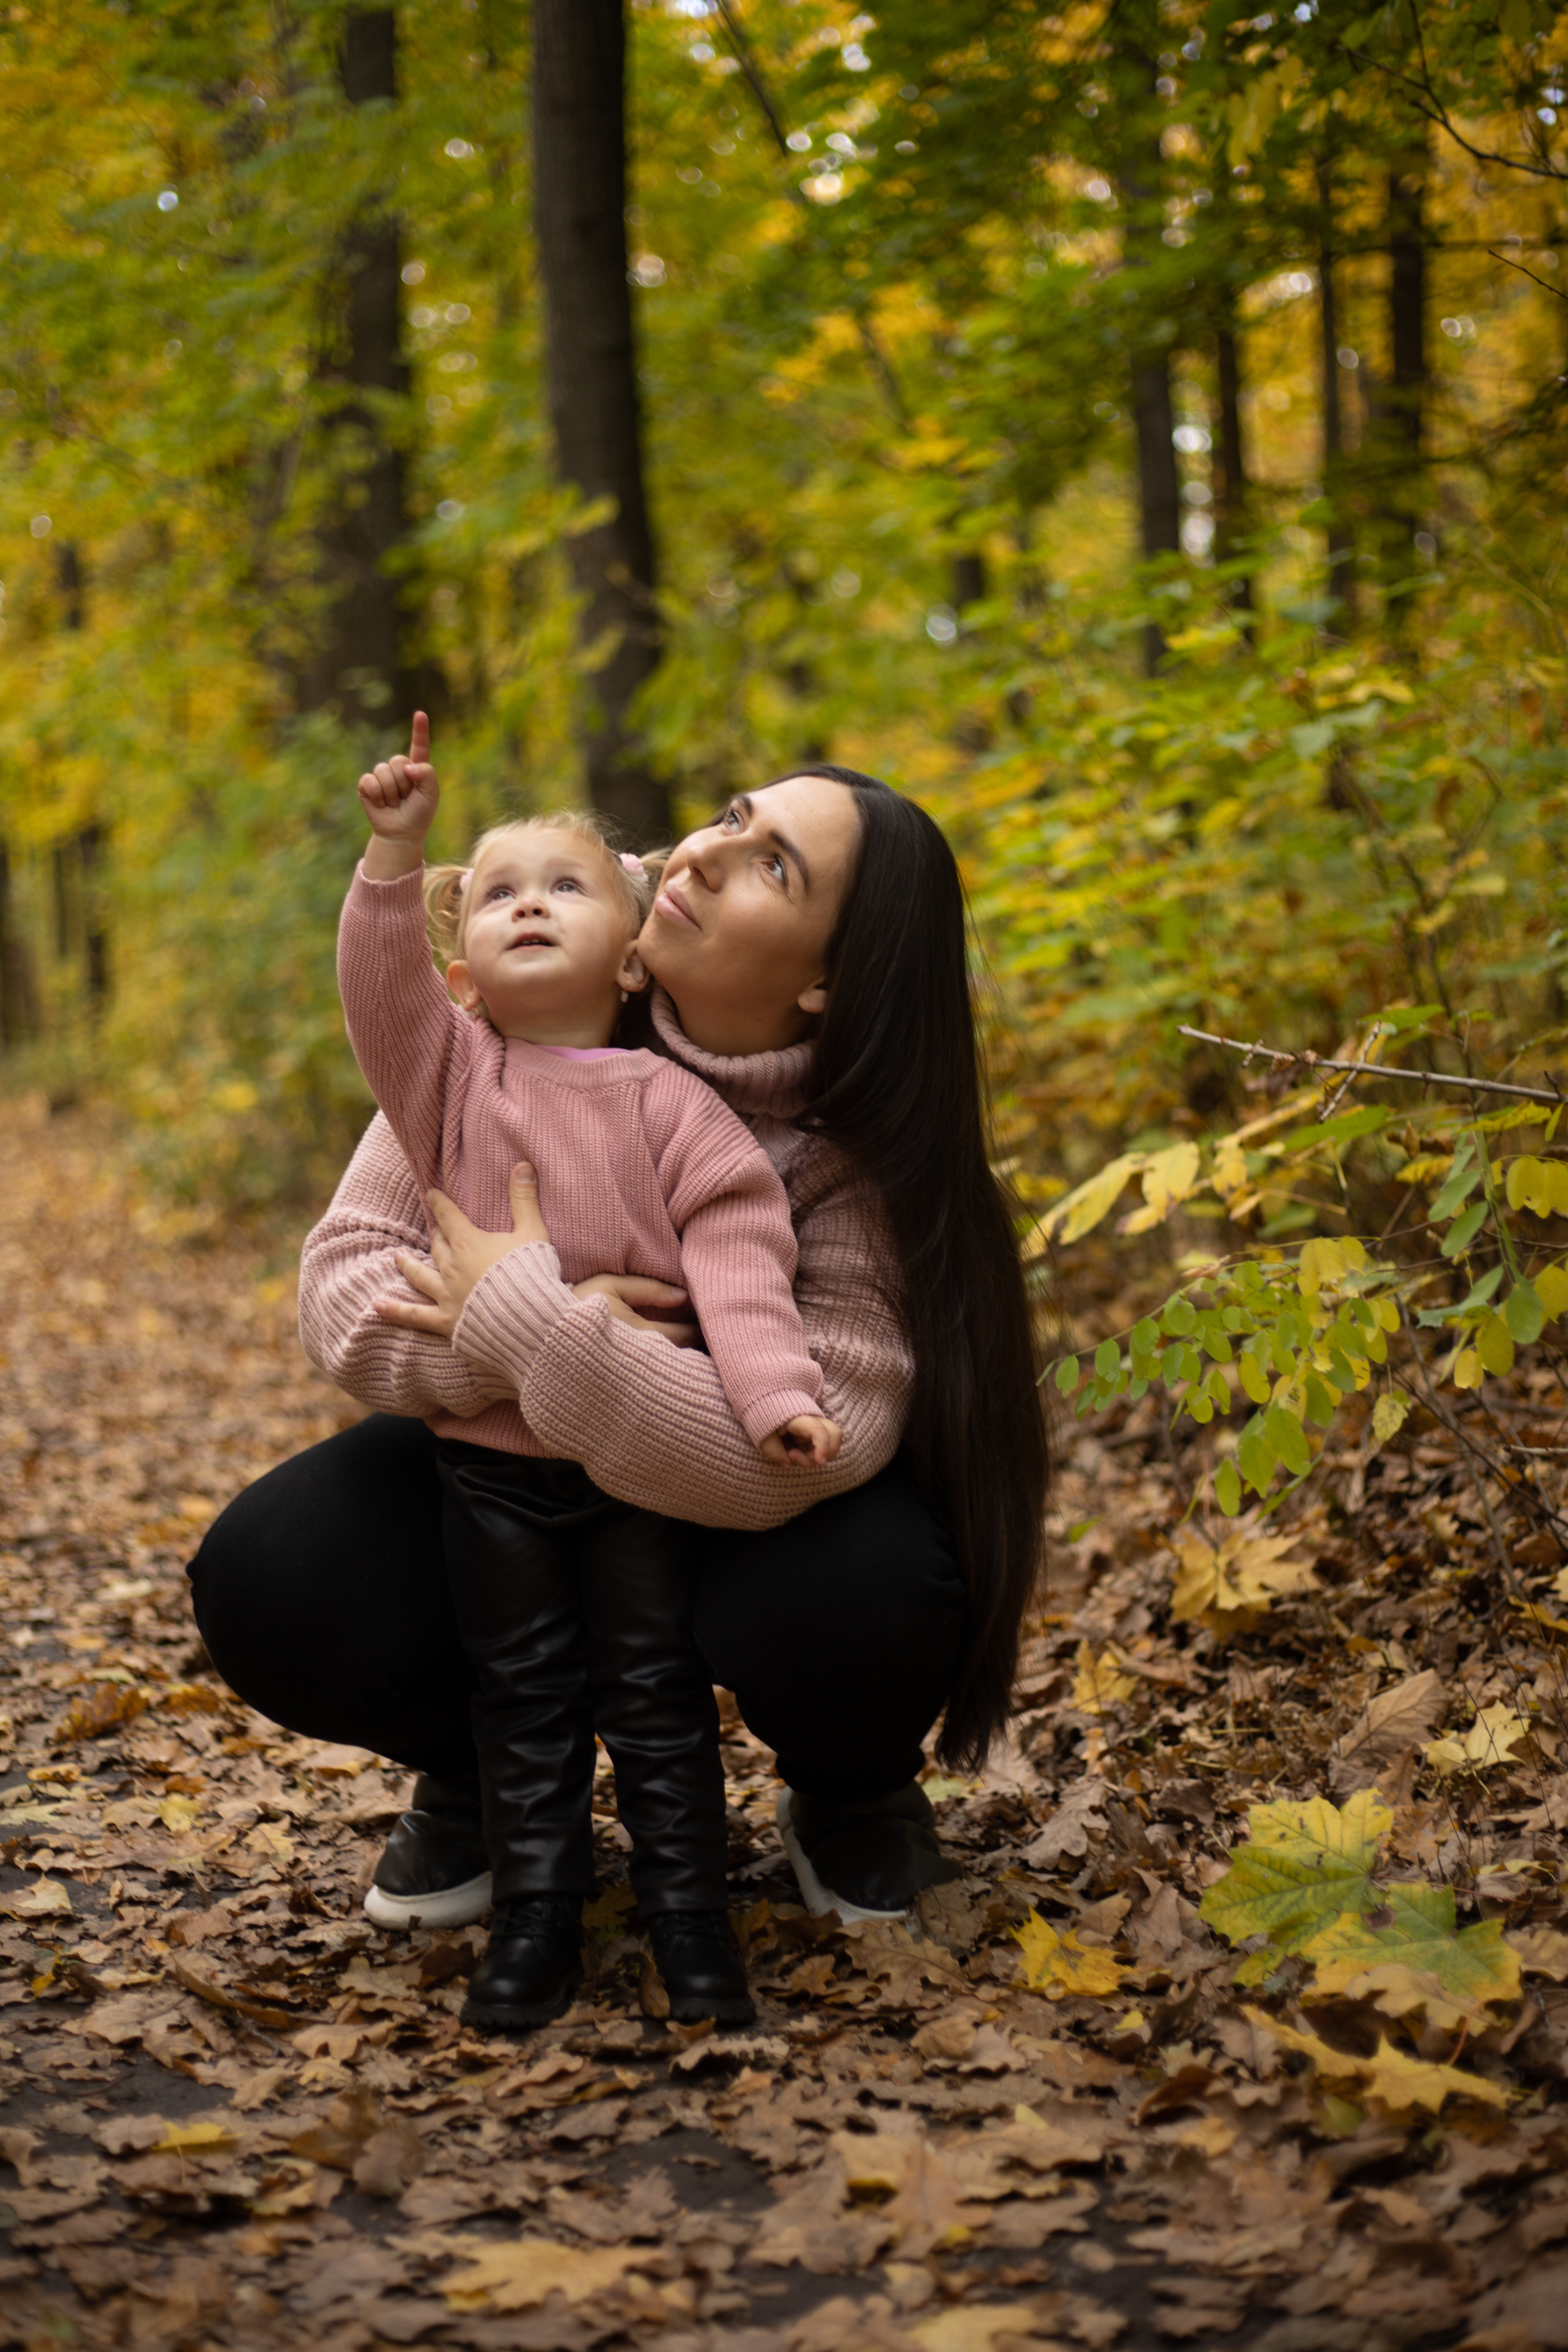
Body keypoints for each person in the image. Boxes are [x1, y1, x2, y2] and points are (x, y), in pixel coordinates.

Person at [189, 763, 1047, 2003]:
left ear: (826, 978)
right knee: (280, 1569)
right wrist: (497, 1340)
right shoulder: (524, 1024)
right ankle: (482, 1769)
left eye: (771, 865)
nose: (702, 851)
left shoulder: (852, 1163)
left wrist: (540, 1326)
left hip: (743, 1532)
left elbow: (809, 1448)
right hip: (513, 1480)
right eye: (731, 818)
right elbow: (345, 1287)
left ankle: (851, 1789)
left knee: (871, 1581)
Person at [335, 717, 839, 2031]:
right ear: (460, 971)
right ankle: (538, 1920)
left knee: (652, 1692)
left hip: (633, 1474)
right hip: (491, 1477)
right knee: (524, 1693)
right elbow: (377, 995)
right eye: (497, 893)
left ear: (627, 953)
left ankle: (690, 1921)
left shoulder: (672, 1108)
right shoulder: (446, 1077)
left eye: (562, 885)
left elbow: (740, 1256)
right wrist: (397, 852)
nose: (527, 907)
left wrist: (779, 1396)